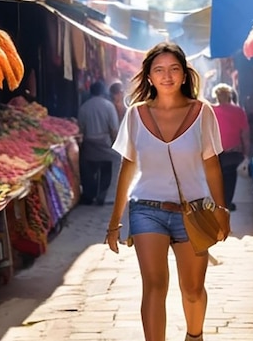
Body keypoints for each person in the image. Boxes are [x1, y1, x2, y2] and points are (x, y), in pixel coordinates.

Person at [105, 42, 228, 341]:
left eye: (174, 69)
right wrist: (114, 221)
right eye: (159, 70)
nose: (167, 76)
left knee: (193, 289)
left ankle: (194, 336)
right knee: (155, 285)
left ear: (184, 75)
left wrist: (222, 211)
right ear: (148, 76)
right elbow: (127, 168)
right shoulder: (135, 115)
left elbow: (212, 165)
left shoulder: (203, 112)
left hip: (195, 211)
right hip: (147, 209)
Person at [77, 81, 120, 206]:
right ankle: (102, 196)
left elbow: (81, 129)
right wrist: (116, 144)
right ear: (103, 92)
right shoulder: (109, 106)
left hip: (89, 144)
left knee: (90, 173)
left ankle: (89, 196)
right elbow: (113, 129)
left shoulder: (84, 106)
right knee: (106, 171)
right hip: (105, 144)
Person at [211, 83, 250, 212]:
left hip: (215, 153)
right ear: (229, 96)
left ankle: (220, 203)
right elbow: (245, 134)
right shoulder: (238, 111)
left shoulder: (211, 110)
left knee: (217, 177)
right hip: (233, 152)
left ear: (216, 97)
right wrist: (246, 152)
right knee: (230, 178)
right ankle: (227, 203)